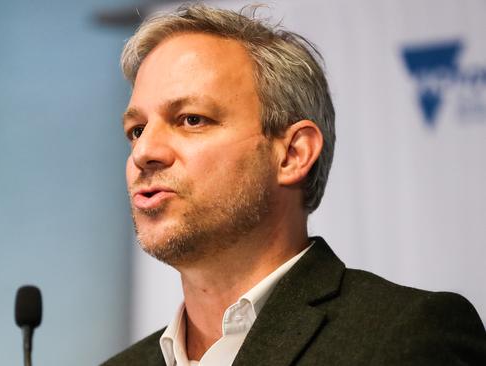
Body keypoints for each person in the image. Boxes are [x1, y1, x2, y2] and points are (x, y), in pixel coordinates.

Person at [102, 4, 486, 366]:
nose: (144, 152)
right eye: (136, 130)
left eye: (191, 120)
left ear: (293, 154)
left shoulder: (405, 336)